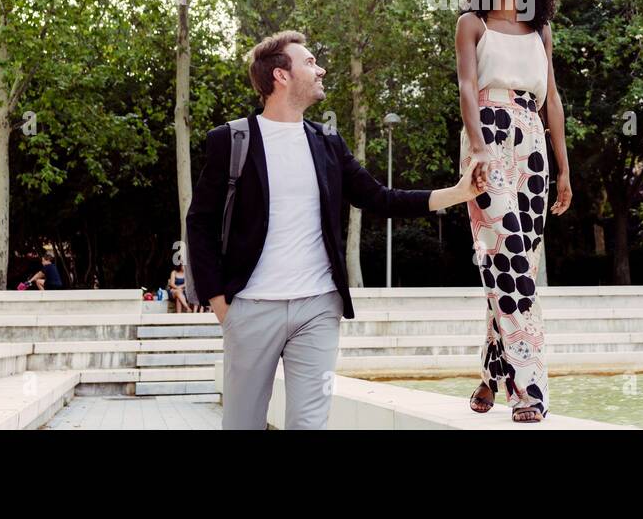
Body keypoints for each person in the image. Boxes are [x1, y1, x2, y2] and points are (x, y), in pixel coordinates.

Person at [185, 30, 484, 430]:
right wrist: (220, 302)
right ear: (281, 76)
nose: (320, 68)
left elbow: (379, 198)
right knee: (242, 423)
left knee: (310, 424)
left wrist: (456, 193)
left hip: (318, 307)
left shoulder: (326, 141)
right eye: (309, 62)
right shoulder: (232, 140)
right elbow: (200, 222)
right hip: (252, 307)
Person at [455, 0, 572, 424]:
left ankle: (490, 372)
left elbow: (553, 100)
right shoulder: (472, 24)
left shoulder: (539, 29)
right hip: (487, 139)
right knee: (507, 262)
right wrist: (479, 146)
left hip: (532, 147)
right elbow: (465, 85)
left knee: (516, 261)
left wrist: (565, 167)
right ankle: (530, 389)